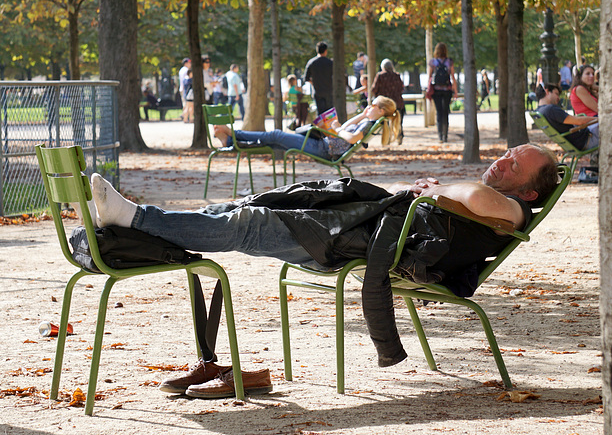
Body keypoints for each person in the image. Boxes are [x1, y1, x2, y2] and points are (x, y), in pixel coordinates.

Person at [88, 143, 558, 393]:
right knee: (242, 210)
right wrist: (434, 192)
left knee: (248, 224)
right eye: (507, 152)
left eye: (515, 162)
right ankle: (126, 225)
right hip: (370, 231)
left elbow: (474, 198)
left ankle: (131, 223)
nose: (503, 159)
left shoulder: (513, 211)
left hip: (365, 244)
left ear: (529, 192)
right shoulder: (496, 201)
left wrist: (435, 189)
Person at [213, 96, 400, 160]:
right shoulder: (366, 120)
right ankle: (230, 141)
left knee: (276, 135)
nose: (368, 107)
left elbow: (351, 138)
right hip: (323, 143)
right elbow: (344, 128)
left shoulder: (368, 124)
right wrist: (361, 114)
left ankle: (233, 133)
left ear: (381, 110)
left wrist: (336, 127)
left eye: (372, 105)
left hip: (324, 149)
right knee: (274, 143)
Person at [536, 83, 599, 151]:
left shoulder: (539, 111)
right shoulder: (551, 109)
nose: (558, 98)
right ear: (547, 91)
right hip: (587, 140)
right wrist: (599, 119)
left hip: (576, 142)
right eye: (556, 94)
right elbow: (579, 121)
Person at [427, 42, 458, 143]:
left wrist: (429, 89)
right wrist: (455, 91)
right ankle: (445, 135)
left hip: (436, 90)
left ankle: (440, 135)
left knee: (439, 113)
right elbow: (452, 76)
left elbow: (430, 77)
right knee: (445, 112)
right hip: (447, 90)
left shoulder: (433, 62)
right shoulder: (449, 62)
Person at [371, 59, 406, 144]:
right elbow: (401, 88)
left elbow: (374, 89)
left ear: (383, 67)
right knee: (398, 121)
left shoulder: (380, 76)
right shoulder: (397, 75)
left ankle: (387, 139)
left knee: (385, 122)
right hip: (397, 102)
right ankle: (399, 136)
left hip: (384, 104)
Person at [304, 41, 333, 114]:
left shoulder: (311, 62)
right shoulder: (330, 63)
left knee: (320, 113)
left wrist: (313, 83)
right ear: (326, 51)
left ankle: (320, 126)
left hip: (317, 91)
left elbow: (306, 78)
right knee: (329, 113)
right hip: (329, 91)